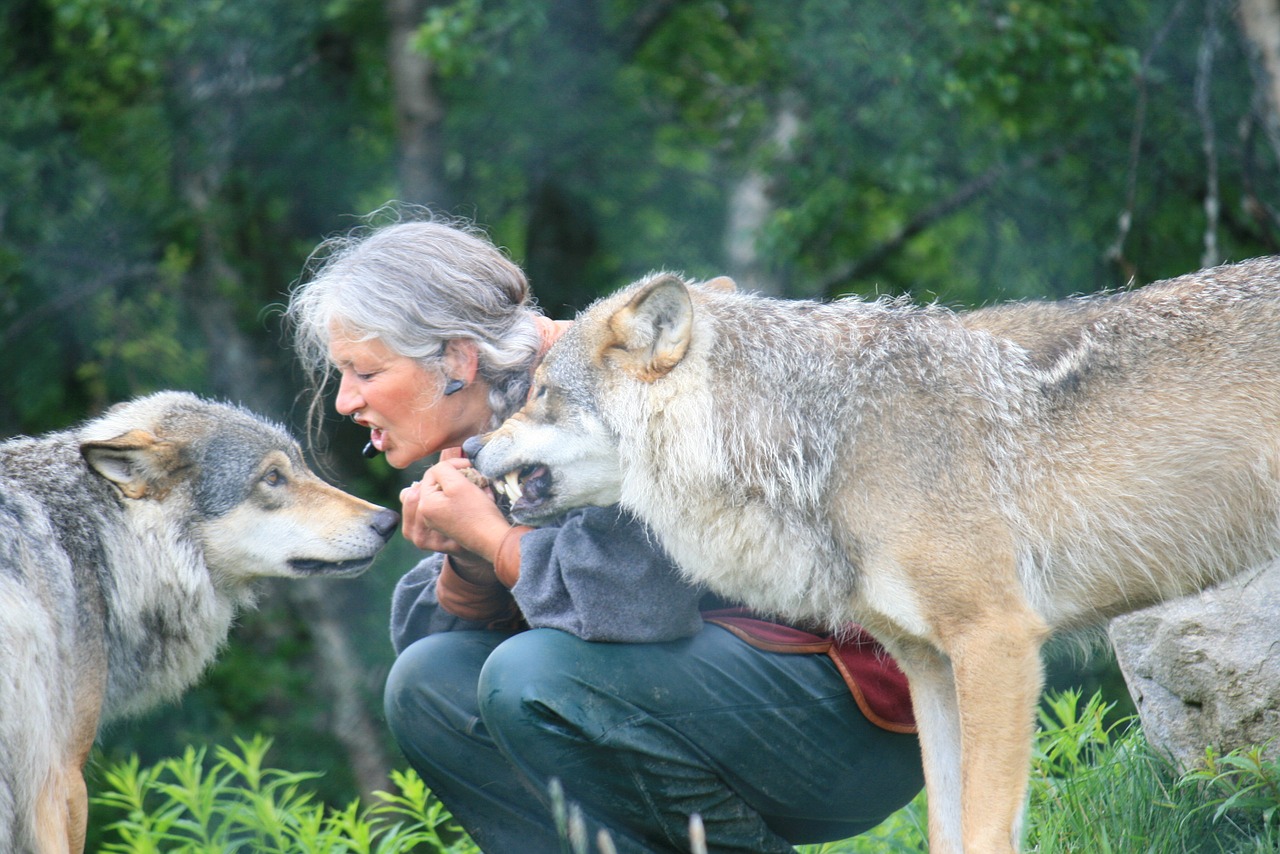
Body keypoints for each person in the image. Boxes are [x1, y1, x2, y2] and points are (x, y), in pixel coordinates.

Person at [286, 209, 924, 854]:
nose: (345, 401)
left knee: (533, 676)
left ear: (457, 357)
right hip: (721, 708)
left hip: (848, 718)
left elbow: (637, 604)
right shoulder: (481, 423)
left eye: (365, 372)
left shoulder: (621, 382)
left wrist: (495, 542)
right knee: (428, 683)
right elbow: (435, 654)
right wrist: (471, 559)